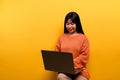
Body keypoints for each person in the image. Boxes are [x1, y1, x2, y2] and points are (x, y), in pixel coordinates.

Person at [55, 12, 90, 80]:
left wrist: (70, 64)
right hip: (65, 71)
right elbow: (57, 54)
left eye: (72, 24)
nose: (70, 26)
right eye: (67, 24)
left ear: (77, 24)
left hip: (80, 70)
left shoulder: (83, 38)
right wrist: (63, 66)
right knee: (60, 77)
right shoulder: (61, 38)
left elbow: (84, 56)